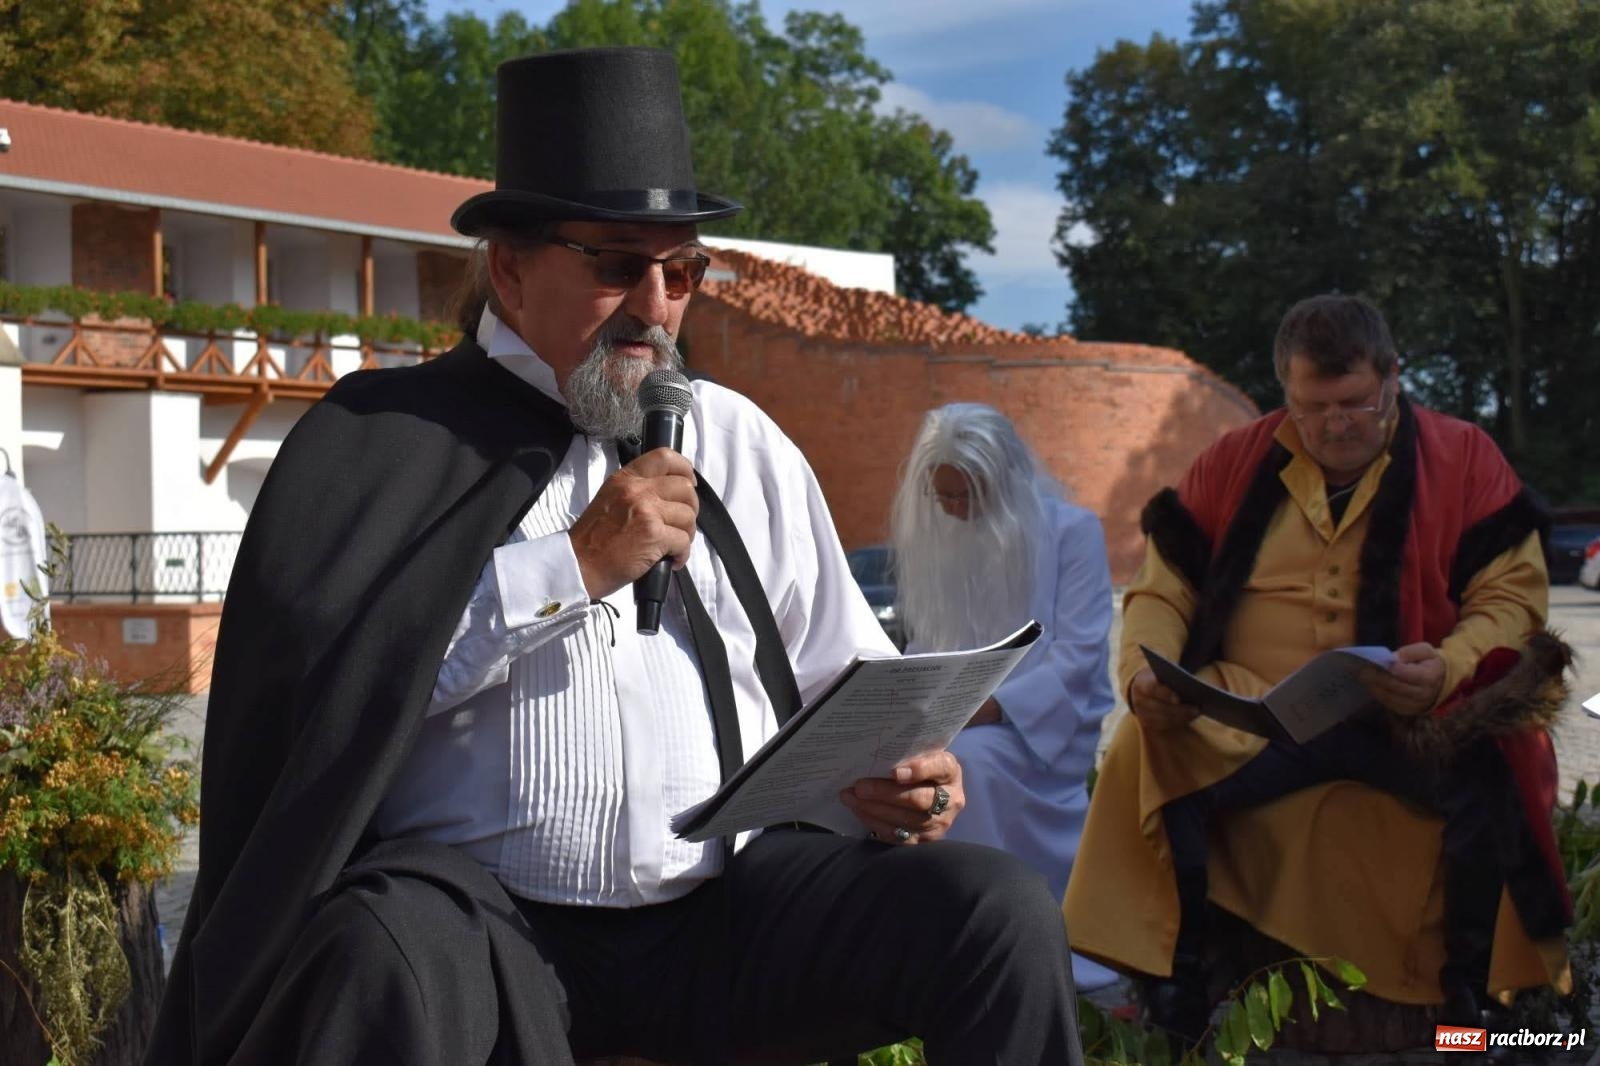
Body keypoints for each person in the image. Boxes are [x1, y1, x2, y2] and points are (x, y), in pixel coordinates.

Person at [145, 48, 1081, 1066]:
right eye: (616, 264)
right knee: (380, 950)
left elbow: (836, 680)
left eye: (682, 271)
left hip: (720, 917)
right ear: (509, 265)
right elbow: (326, 701)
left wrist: (897, 773)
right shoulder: (386, 440)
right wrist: (573, 565)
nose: (656, 303)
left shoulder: (741, 440)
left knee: (992, 914)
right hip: (485, 930)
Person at [1064, 294, 1572, 1043]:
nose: (1335, 424)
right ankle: (1181, 991)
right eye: (1312, 408)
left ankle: (1470, 1008)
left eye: (1355, 404)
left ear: (1394, 378)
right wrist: (1151, 675)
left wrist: (1450, 664)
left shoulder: (1463, 456)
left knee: (1488, 784)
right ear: (1286, 395)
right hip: (1257, 710)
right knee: (1149, 749)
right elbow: (1162, 589)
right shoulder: (1234, 461)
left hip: (1412, 716)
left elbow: (1511, 595)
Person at [888, 403, 1118, 990]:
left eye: (969, 496)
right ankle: (928, 935)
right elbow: (925, 649)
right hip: (960, 720)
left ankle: (1004, 937)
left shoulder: (1072, 531)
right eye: (946, 498)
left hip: (1041, 732)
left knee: (973, 765)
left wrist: (979, 708)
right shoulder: (940, 542)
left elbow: (1079, 657)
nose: (957, 511)